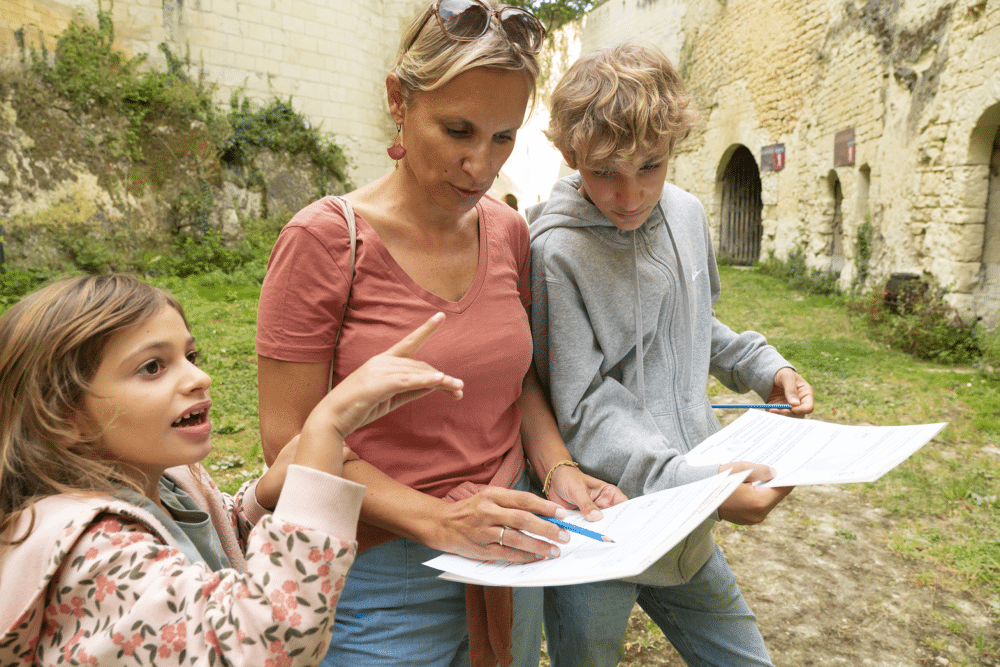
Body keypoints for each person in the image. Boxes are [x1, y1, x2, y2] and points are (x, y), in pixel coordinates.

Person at [255, 2, 625, 666]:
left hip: (512, 546)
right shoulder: (325, 240)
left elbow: (519, 382)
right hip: (380, 577)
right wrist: (438, 521)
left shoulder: (509, 230)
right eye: (458, 130)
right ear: (399, 99)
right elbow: (287, 445)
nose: (480, 166)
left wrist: (558, 468)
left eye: (504, 137)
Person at [0, 274, 466, 666]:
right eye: (151, 367)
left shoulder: (171, 481)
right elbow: (266, 641)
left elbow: (215, 552)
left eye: (190, 357)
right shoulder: (92, 552)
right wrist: (325, 428)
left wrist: (265, 496)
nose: (197, 378)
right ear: (64, 416)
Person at [527, 43, 816, 667]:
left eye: (649, 166)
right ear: (571, 156)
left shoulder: (685, 213)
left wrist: (763, 365)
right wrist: (701, 487)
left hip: (688, 515)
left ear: (672, 148)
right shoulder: (554, 253)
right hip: (604, 521)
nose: (630, 195)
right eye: (605, 171)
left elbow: (692, 322)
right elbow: (584, 404)